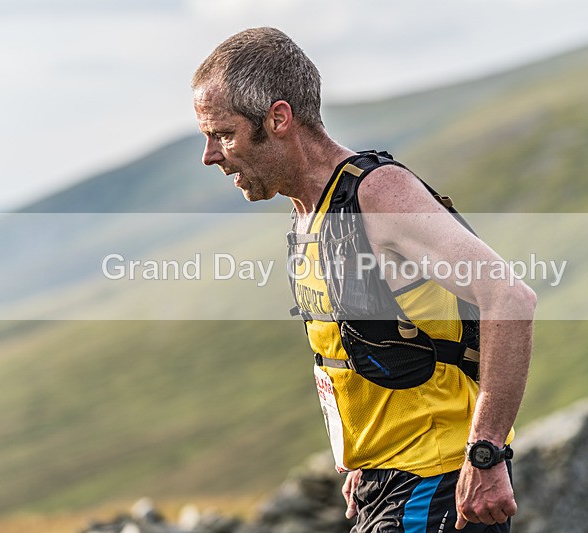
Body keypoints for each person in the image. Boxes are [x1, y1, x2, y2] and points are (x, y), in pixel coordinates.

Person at [191, 27, 536, 532]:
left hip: (434, 483)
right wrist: (363, 453)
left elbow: (508, 297)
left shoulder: (377, 195)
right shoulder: (309, 212)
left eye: (222, 134)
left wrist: (486, 454)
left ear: (278, 118)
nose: (210, 156)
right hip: (385, 484)